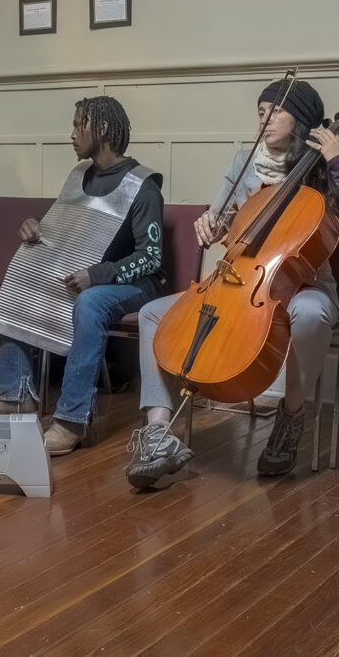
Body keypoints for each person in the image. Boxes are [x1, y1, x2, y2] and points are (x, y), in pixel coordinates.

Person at [126, 79, 339, 488]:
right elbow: (224, 220)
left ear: (303, 120)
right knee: (154, 314)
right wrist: (212, 224)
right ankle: (157, 431)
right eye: (261, 112)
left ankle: (291, 416)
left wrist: (335, 163)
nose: (266, 118)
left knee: (308, 313)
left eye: (276, 110)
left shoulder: (323, 168)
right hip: (244, 282)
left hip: (311, 282)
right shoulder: (244, 160)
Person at [0, 96, 166, 456]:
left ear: (103, 129)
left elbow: (152, 256)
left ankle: (71, 420)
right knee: (22, 271)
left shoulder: (143, 186)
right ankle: (16, 395)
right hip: (88, 275)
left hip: (138, 286)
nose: (71, 134)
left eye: (78, 124)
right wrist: (33, 228)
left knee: (91, 302)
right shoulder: (78, 175)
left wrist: (98, 275)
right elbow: (66, 234)